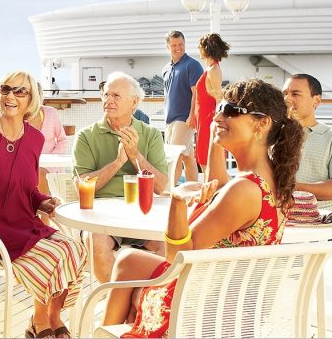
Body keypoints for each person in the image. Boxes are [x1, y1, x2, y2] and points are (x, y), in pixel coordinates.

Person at [103, 79, 302, 337]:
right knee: (129, 259)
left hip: (205, 309)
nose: (218, 116)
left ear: (262, 123)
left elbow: (178, 258)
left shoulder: (243, 190)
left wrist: (176, 199)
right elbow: (218, 186)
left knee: (130, 271)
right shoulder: (269, 179)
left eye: (231, 111)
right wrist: (216, 138)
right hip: (234, 300)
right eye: (220, 108)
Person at [0, 71, 86, 339]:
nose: (10, 96)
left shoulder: (35, 138)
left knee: (75, 249)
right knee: (52, 257)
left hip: (24, 225)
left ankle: (51, 318)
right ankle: (40, 322)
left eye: (20, 91)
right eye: (6, 89)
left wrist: (44, 202)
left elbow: (28, 188)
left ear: (31, 99)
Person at [73, 72, 168, 283]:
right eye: (106, 95)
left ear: (134, 102)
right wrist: (116, 163)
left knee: (170, 243)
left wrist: (136, 157)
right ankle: (116, 299)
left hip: (144, 215)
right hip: (101, 217)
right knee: (95, 239)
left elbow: (161, 187)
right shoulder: (86, 136)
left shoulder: (151, 134)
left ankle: (147, 299)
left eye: (116, 95)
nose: (108, 100)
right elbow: (82, 186)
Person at [283, 74, 332, 209]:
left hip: (321, 223)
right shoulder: (271, 136)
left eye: (295, 94)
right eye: (285, 93)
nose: (287, 99)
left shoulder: (330, 137)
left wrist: (290, 187)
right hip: (279, 222)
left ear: (316, 101)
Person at [162, 30, 204, 183]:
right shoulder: (166, 69)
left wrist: (192, 115)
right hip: (170, 119)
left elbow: (197, 93)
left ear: (185, 44)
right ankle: (194, 187)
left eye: (180, 44)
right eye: (174, 45)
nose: (178, 48)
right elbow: (168, 95)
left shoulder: (193, 65)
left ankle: (170, 187)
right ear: (168, 47)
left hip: (184, 118)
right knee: (187, 155)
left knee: (174, 154)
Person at [193, 33, 230, 168]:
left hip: (208, 118)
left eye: (200, 46)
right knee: (204, 159)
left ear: (206, 48)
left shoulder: (214, 70)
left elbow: (219, 98)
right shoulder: (210, 68)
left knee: (207, 160)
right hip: (203, 118)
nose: (199, 49)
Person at [29, 82, 68, 208]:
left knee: (40, 174)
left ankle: (44, 222)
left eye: (35, 95)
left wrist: (51, 158)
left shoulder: (51, 113)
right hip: (27, 162)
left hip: (50, 163)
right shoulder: (19, 116)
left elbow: (62, 140)